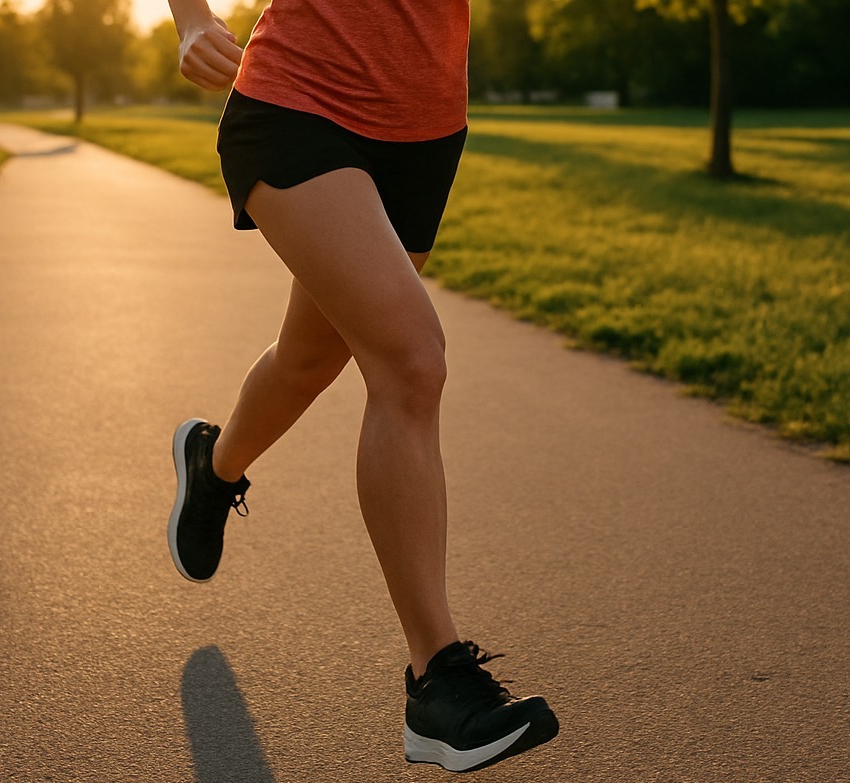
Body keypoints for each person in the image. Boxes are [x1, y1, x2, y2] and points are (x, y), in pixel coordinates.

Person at [165, 0, 559, 771]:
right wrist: (189, 19)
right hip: (296, 102)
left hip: (426, 125)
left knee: (310, 360)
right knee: (411, 361)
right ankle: (437, 682)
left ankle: (213, 464)